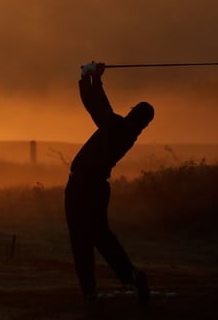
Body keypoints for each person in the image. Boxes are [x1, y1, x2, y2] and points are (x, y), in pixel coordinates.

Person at [66, 61, 153, 306]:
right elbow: (102, 108)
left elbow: (95, 107)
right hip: (98, 188)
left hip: (82, 187)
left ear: (133, 112)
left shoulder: (117, 126)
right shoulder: (126, 132)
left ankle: (90, 291)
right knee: (101, 236)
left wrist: (87, 76)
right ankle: (131, 277)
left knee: (81, 237)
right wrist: (96, 78)